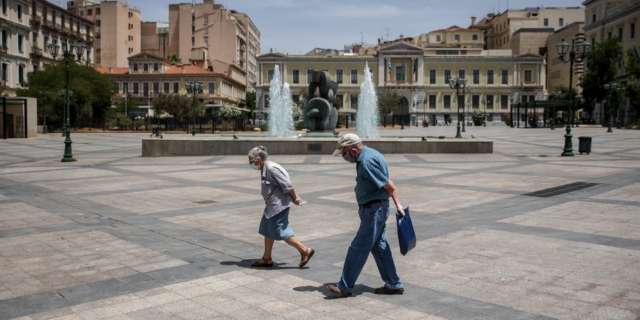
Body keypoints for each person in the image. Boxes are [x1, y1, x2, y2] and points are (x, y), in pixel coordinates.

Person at [327, 134, 404, 297]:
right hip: (376, 208)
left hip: (374, 210)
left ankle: (345, 286)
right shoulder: (372, 153)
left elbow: (390, 186)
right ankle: (393, 284)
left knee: (358, 247)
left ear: (353, 149)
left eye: (344, 152)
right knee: (379, 247)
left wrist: (399, 206)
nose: (343, 156)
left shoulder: (366, 161)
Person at [247, 146, 315, 268]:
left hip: (278, 206)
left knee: (282, 231)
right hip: (271, 206)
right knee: (267, 229)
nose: (250, 164)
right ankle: (266, 258)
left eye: (251, 161)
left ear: (258, 159)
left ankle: (304, 250)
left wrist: (295, 198)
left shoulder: (271, 168)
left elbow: (288, 185)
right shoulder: (265, 167)